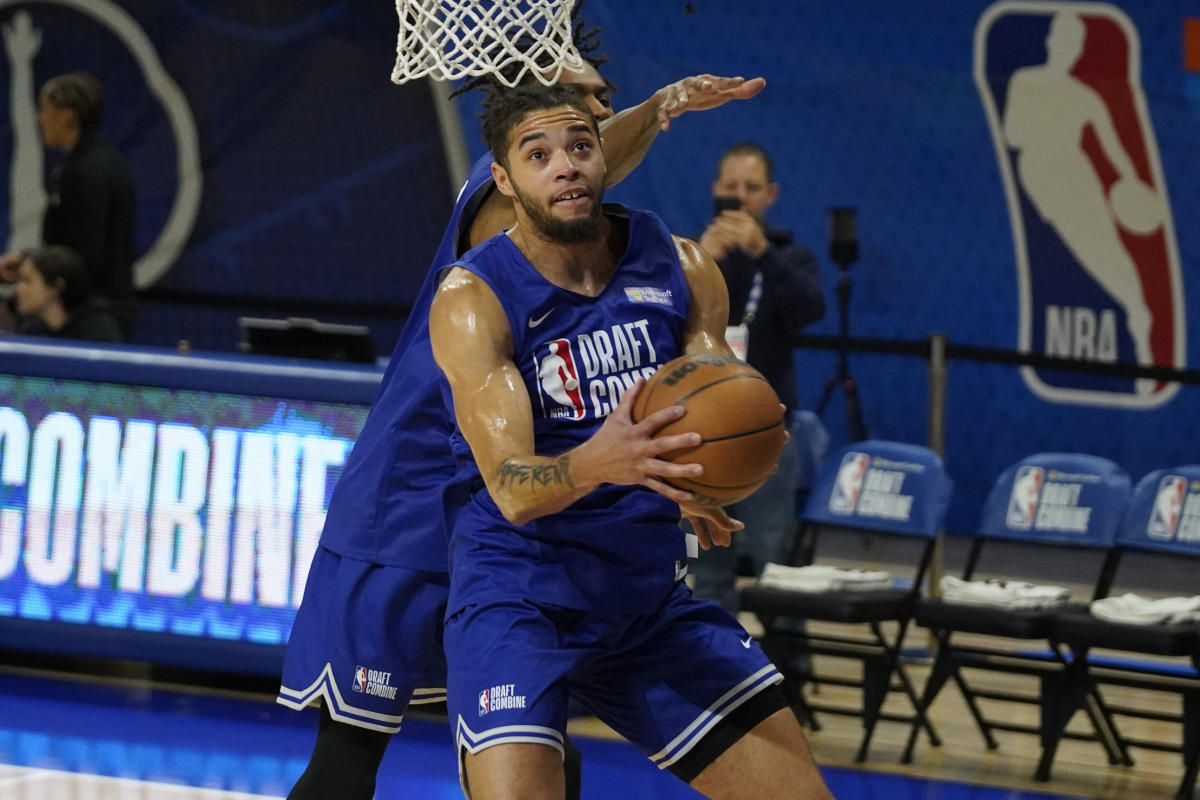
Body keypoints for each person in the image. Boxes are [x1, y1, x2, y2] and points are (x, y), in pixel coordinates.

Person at [276, 9, 767, 797]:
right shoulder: (499, 197)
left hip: (509, 512)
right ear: (522, 155)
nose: (603, 114)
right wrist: (664, 106)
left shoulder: (616, 251)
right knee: (347, 759)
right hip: (414, 496)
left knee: (542, 747)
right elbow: (590, 155)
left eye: (602, 108)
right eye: (591, 100)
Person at [430, 84, 833, 800]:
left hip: (644, 596)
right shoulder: (474, 298)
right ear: (504, 180)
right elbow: (512, 490)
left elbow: (718, 394)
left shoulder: (680, 266)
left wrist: (701, 477)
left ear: (603, 159)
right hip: (521, 599)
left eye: (581, 147)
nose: (566, 166)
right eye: (539, 154)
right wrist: (601, 461)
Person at [691, 142, 825, 614]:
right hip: (699, 434)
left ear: (771, 195)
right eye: (730, 186)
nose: (740, 196)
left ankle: (795, 670)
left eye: (751, 188)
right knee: (705, 564)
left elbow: (810, 308)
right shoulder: (690, 254)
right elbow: (658, 315)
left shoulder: (790, 257)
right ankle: (718, 669)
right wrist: (700, 260)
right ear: (714, 190)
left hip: (769, 432)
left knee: (775, 559)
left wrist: (762, 252)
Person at [0, 72, 137, 341]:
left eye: (46, 109)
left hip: (92, 315)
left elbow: (84, 254)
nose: (40, 118)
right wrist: (28, 260)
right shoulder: (92, 163)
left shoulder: (86, 172)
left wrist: (34, 267)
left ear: (68, 115)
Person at [9, 245, 122, 343]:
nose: (17, 289)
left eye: (26, 280)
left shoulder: (99, 333)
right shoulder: (29, 330)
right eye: (18, 280)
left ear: (57, 287)